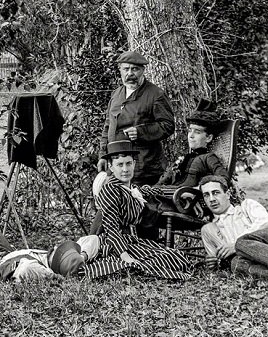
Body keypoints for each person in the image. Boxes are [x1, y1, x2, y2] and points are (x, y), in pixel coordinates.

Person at [83, 140, 194, 283]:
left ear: (134, 164)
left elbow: (152, 190)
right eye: (120, 165)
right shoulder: (110, 189)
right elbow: (111, 228)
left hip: (133, 241)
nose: (125, 169)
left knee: (177, 258)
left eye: (128, 163)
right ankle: (125, 267)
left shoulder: (131, 188)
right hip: (115, 244)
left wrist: (180, 193)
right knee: (157, 262)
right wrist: (124, 255)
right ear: (111, 167)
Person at [0, 210, 103, 284]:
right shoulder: (50, 257)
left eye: (59, 249)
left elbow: (25, 270)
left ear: (57, 259)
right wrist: (83, 257)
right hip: (6, 254)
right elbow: (92, 240)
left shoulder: (38, 269)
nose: (57, 245)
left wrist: (56, 278)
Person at [139, 102, 231, 220]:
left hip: (183, 205)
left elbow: (223, 179)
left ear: (208, 138)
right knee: (136, 198)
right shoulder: (184, 159)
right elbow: (161, 183)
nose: (191, 136)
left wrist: (196, 192)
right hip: (168, 197)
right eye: (190, 131)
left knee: (139, 204)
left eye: (197, 132)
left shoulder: (208, 158)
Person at [104, 50, 175, 185]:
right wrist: (103, 155)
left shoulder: (156, 95)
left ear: (143, 70)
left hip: (144, 167)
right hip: (118, 166)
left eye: (135, 69)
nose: (130, 73)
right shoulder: (116, 94)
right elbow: (108, 125)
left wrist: (141, 132)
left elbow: (168, 125)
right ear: (120, 70)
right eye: (126, 69)